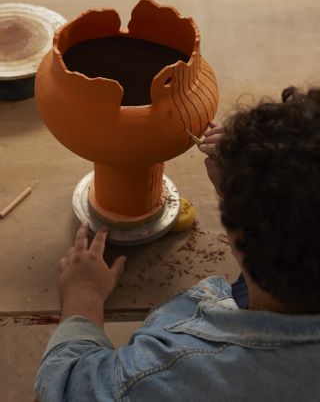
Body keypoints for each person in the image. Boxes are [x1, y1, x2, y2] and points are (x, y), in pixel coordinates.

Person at [35, 87, 320, 401]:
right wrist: (255, 181)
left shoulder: (171, 374)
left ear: (238, 233)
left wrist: (83, 298)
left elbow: (63, 389)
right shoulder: (296, 261)